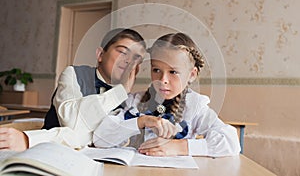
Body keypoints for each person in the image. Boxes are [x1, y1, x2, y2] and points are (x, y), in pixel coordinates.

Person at [0, 28, 177, 151]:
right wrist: (119, 92)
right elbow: (74, 127)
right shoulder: (72, 74)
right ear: (100, 55)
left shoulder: (130, 100)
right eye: (123, 52)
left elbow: (106, 138)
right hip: (50, 155)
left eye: (136, 58)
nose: (128, 61)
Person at [93, 33, 241, 157]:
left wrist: (179, 147)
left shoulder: (195, 106)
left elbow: (232, 142)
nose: (163, 80)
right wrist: (141, 121)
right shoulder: (134, 101)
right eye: (156, 70)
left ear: (192, 74)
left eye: (173, 72)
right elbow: (100, 138)